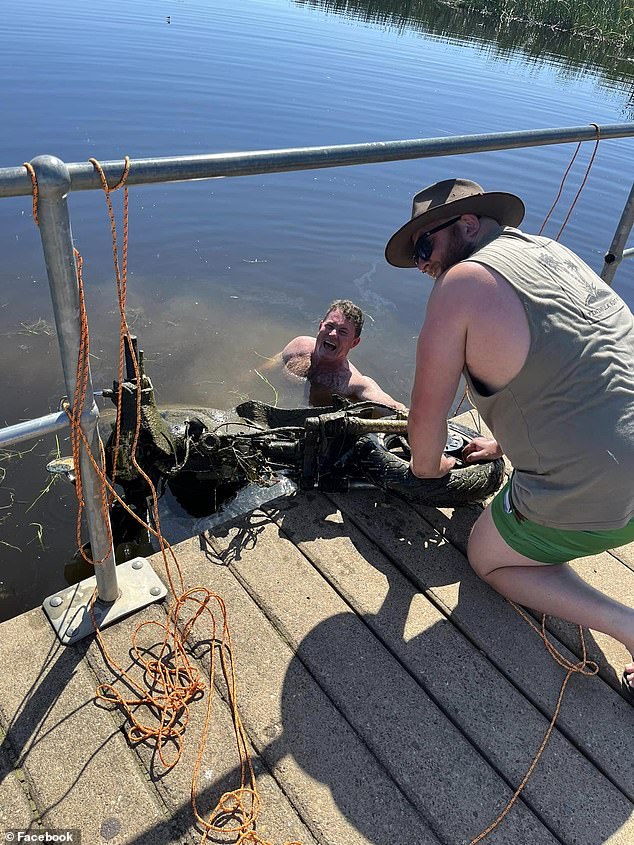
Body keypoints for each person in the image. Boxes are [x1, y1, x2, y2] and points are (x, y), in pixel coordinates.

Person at [385, 178, 634, 698]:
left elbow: (425, 429)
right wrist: (502, 447)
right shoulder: (551, 251)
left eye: (426, 247)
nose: (424, 265)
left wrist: (430, 470)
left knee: (486, 556)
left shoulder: (461, 284)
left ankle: (626, 625)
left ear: (469, 225)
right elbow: (579, 373)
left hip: (612, 497)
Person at [272, 299, 406, 410]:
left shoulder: (354, 383)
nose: (332, 334)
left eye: (342, 332)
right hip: (276, 405)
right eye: (330, 326)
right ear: (320, 327)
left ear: (354, 343)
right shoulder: (298, 346)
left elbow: (393, 408)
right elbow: (264, 368)